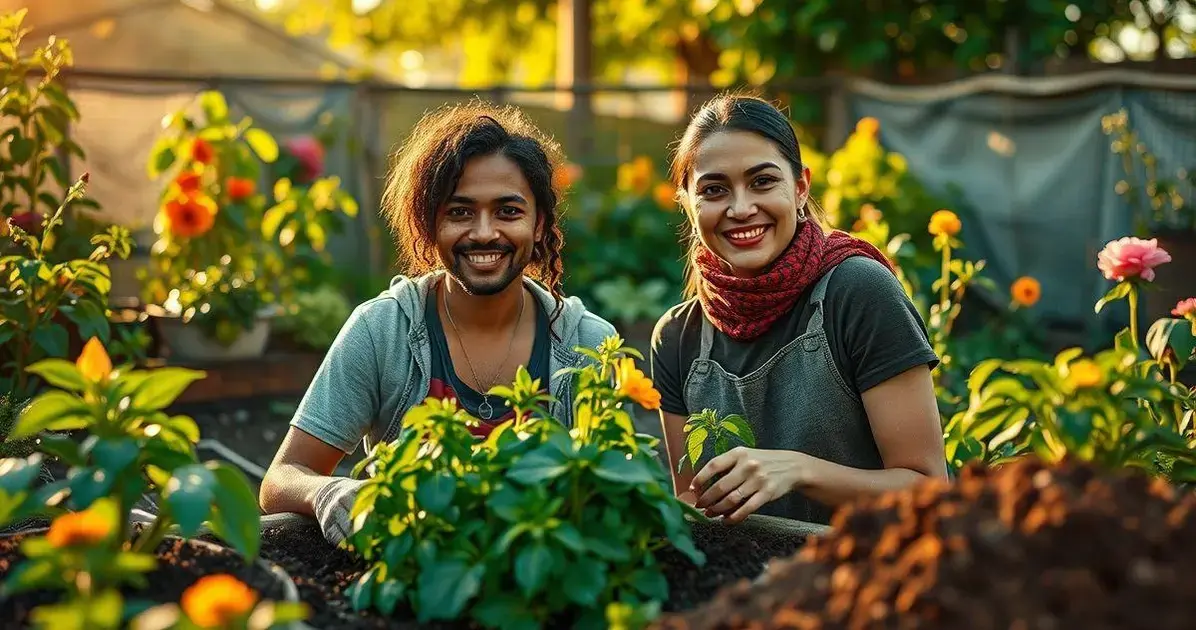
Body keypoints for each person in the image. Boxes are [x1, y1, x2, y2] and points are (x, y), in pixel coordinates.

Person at [259, 102, 617, 545]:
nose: (484, 233)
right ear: (430, 224)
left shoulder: (588, 345)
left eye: (508, 212)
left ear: (540, 224)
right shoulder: (382, 330)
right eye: (459, 212)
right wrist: (327, 491)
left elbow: (611, 501)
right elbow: (283, 476)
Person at [649, 94, 948, 527]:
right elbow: (695, 506)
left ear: (801, 187)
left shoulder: (858, 292)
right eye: (714, 190)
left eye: (762, 181)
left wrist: (800, 471)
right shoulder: (678, 337)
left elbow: (928, 490)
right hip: (741, 570)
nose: (741, 208)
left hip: (869, 562)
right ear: (686, 203)